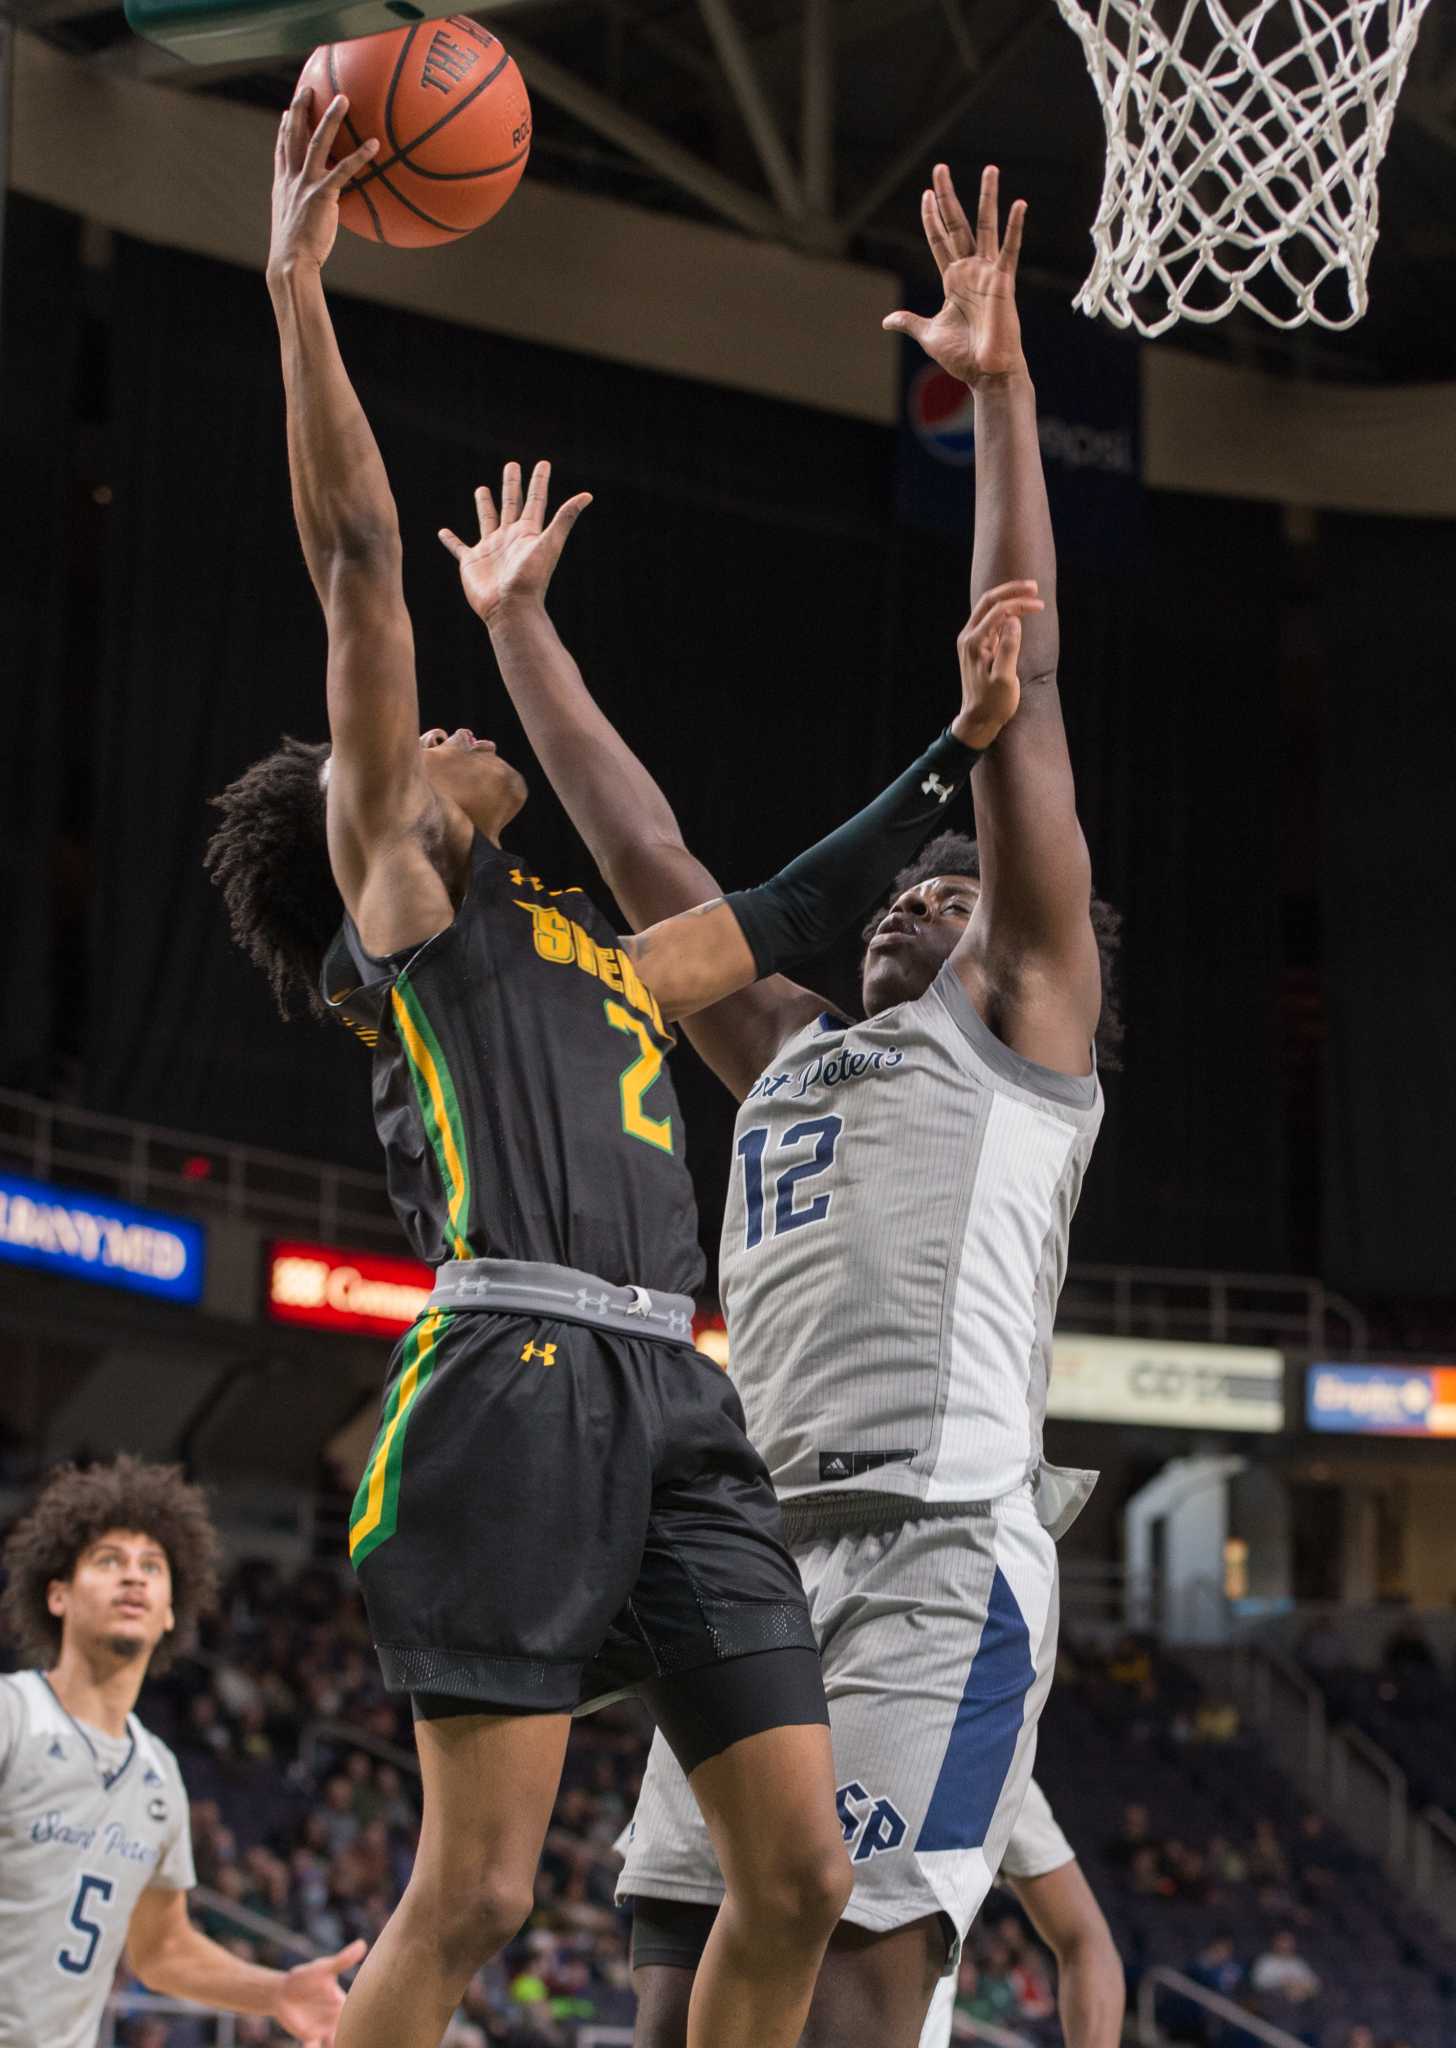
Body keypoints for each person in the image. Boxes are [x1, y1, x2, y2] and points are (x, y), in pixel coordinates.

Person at [206, 93, 1037, 2048]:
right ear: (383, 801)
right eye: (428, 737)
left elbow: (788, 898)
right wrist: (296, 287)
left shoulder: (603, 952)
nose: (460, 734)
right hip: (505, 1372)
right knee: (483, 1886)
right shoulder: (408, 901)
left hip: (676, 1390)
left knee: (799, 1873)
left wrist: (956, 739)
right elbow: (350, 559)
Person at [456, 158, 1118, 2048]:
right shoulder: (791, 1053)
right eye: (899, 886)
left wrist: (997, 395)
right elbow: (654, 850)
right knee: (667, 2010)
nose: (920, 888)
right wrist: (519, 632)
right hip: (743, 1544)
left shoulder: (1024, 1036)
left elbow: (1021, 683)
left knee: (837, 2015)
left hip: (931, 1553)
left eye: (955, 883)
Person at [0, 1456, 362, 2048]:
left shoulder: (157, 1774)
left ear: (171, 1610)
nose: (134, 1577)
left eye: (152, 1566)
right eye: (108, 1561)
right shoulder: (11, 1716)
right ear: (58, 1595)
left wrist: (275, 1992)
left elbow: (162, 1948)